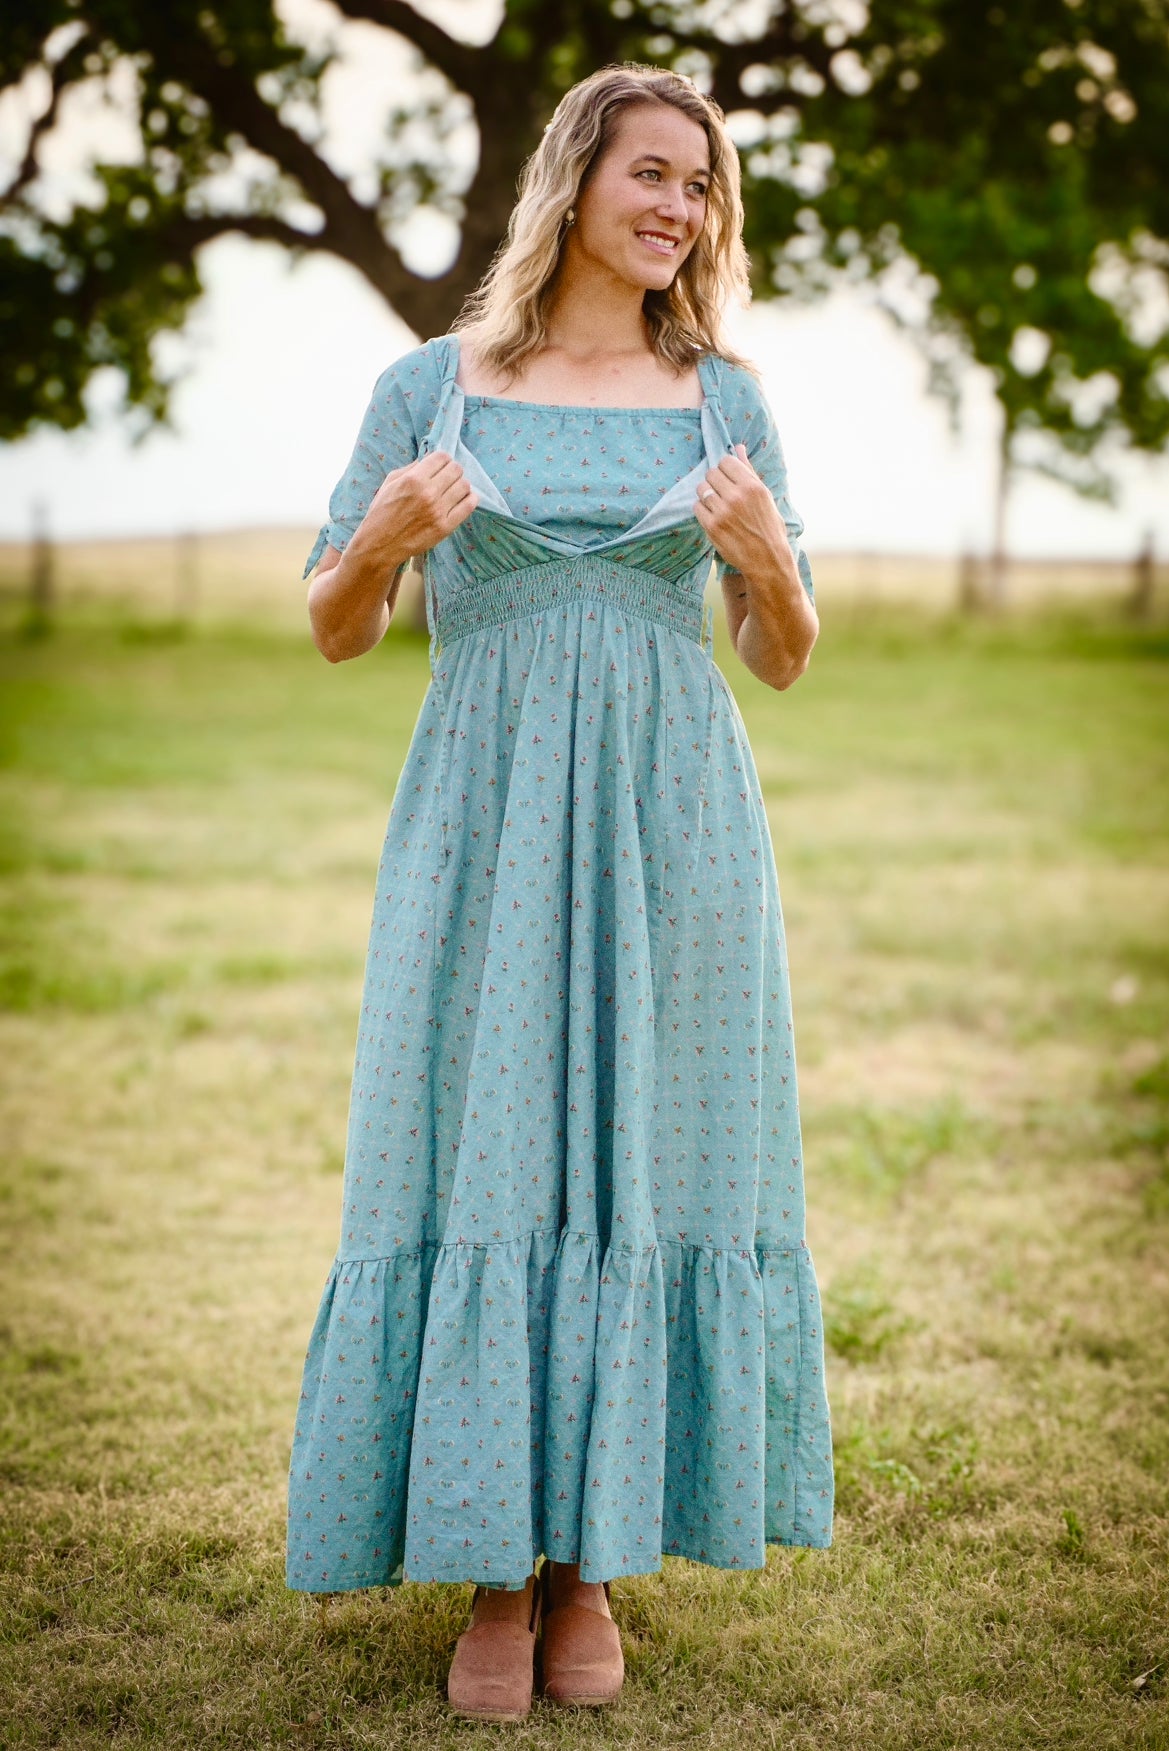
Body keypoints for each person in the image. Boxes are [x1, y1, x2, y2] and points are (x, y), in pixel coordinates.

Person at [286, 61, 834, 1723]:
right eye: (652, 173)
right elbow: (335, 624)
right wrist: (381, 534)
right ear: (577, 180)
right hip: (485, 822)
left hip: (676, 819)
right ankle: (485, 1572)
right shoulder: (430, 386)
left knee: (642, 1149)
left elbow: (785, 658)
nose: (677, 207)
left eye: (701, 186)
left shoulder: (727, 401)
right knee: (487, 1143)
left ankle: (590, 1567)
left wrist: (765, 563)